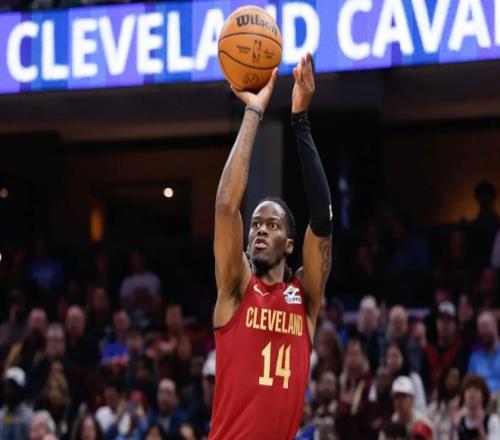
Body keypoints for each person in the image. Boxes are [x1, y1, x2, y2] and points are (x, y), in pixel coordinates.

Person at [210, 53, 332, 440]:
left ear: (289, 244)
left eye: (272, 225)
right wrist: (254, 111)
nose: (260, 230)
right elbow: (226, 206)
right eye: (256, 225)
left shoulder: (304, 297)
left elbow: (323, 221)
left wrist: (301, 121)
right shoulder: (235, 288)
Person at [454, 374, 500, 440]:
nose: (472, 393)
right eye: (468, 389)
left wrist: (481, 429)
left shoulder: (492, 420)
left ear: (483, 396)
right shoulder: (460, 422)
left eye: (476, 390)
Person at [468, 311, 500, 392]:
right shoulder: (474, 358)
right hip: (482, 398)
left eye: (485, 326)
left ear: (495, 326)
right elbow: (469, 386)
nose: (482, 331)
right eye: (480, 328)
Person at [0, 367, 33, 439]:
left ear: (20, 390)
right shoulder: (2, 413)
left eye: (13, 387)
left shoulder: (28, 417)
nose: (9, 391)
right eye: (7, 386)